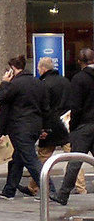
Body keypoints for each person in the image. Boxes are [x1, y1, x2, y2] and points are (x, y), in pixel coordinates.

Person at [0, 55, 56, 199]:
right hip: (34, 127)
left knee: (30, 160)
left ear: (12, 69)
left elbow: (2, 99)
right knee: (17, 159)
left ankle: (50, 189)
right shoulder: (38, 83)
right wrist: (45, 128)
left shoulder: (15, 84)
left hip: (20, 128)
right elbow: (46, 108)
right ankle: (9, 190)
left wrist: (4, 83)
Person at [28, 57, 84, 195]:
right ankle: (81, 187)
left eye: (39, 69)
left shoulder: (44, 84)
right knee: (74, 156)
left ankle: (33, 186)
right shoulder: (65, 81)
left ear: (43, 69)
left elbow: (44, 108)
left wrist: (43, 128)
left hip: (51, 126)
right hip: (66, 123)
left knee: (43, 156)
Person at [53, 48, 94, 205]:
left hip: (84, 125)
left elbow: (76, 106)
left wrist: (73, 125)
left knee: (75, 160)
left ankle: (63, 195)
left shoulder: (79, 79)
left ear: (79, 61)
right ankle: (63, 194)